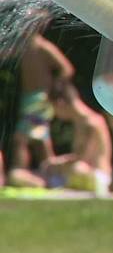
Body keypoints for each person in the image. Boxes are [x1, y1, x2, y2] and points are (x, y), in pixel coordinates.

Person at [10, 83, 112, 193]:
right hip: (75, 172)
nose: (55, 114)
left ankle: (48, 184)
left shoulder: (92, 123)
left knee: (76, 168)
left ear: (60, 103)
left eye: (53, 108)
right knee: (16, 175)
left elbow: (84, 159)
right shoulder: (78, 122)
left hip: (96, 175)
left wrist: (57, 162)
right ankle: (45, 184)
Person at [10, 10, 74, 176]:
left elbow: (66, 69)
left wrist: (55, 88)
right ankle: (52, 175)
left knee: (20, 139)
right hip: (30, 98)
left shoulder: (43, 47)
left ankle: (19, 172)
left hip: (40, 98)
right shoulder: (23, 47)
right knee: (41, 140)